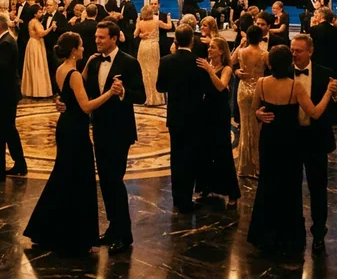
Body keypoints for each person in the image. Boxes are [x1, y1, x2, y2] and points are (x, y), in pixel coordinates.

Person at [24, 32, 117, 255]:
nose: (84, 48)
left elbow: (71, 89)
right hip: (76, 130)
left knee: (64, 177)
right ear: (74, 50)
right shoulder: (73, 74)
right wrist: (110, 93)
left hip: (65, 126)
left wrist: (88, 64)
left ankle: (49, 230)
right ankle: (75, 236)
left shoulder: (62, 69)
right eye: (81, 46)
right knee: (78, 179)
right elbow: (85, 106)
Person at [248, 45, 334, 255]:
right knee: (289, 190)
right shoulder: (295, 86)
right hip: (289, 142)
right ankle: (288, 238)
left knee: (269, 185)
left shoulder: (261, 82)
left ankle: (266, 236)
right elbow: (315, 113)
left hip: (270, 141)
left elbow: (254, 108)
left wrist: (258, 114)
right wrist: (328, 93)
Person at [70, 20, 144, 252]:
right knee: (106, 181)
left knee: (114, 180)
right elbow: (87, 94)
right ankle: (114, 227)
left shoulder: (129, 62)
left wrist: (123, 93)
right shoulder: (93, 62)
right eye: (96, 37)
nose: (97, 41)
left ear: (114, 38)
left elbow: (141, 95)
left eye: (101, 37)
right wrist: (66, 103)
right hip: (100, 130)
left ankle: (124, 234)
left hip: (120, 131)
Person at [288, 34, 337, 250]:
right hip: (292, 139)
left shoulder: (325, 74)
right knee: (292, 188)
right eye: (292, 50)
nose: (294, 54)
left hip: (316, 139)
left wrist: (336, 96)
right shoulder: (284, 72)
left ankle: (319, 233)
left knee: (318, 189)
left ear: (310, 51)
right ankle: (294, 230)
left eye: (298, 50)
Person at [156, 24, 208, 213]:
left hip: (175, 115)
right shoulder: (200, 62)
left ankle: (177, 198)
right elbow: (205, 88)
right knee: (191, 158)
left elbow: (160, 87)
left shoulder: (166, 61)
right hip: (195, 116)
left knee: (176, 157)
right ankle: (187, 198)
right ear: (192, 40)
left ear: (175, 40)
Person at [195, 37, 240, 206]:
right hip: (206, 110)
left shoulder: (226, 68)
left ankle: (232, 193)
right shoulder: (207, 65)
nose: (209, 50)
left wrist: (209, 70)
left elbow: (221, 86)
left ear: (221, 51)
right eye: (209, 47)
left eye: (213, 47)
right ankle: (206, 187)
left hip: (220, 112)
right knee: (205, 150)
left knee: (223, 150)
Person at [0, 13, 27, 179]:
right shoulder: (5, 41)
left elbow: (0, 68)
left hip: (4, 94)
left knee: (0, 132)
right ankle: (20, 164)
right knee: (8, 130)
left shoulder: (6, 43)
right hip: (6, 93)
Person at [233, 25, 267, 178]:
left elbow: (229, 62)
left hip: (243, 90)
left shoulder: (241, 52)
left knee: (245, 126)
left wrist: (236, 71)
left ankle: (244, 166)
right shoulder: (264, 54)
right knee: (257, 128)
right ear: (260, 38)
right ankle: (256, 166)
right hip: (258, 91)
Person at [21, 3, 53, 98]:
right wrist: (51, 27)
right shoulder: (34, 22)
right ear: (35, 14)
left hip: (35, 43)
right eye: (39, 12)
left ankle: (34, 90)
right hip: (36, 44)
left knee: (36, 65)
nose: (41, 13)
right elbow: (41, 34)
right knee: (37, 65)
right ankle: (38, 91)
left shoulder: (33, 21)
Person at [135, 6, 164, 106]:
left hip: (143, 46)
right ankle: (155, 98)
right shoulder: (156, 22)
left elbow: (135, 34)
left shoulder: (140, 23)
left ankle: (146, 97)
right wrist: (169, 18)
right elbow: (169, 26)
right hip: (153, 46)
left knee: (143, 71)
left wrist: (140, 33)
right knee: (154, 70)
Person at [307, 7, 337, 71]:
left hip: (317, 60)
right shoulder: (335, 30)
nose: (315, 15)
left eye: (317, 14)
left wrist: (312, 25)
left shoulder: (313, 29)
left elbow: (308, 44)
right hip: (333, 61)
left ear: (321, 16)